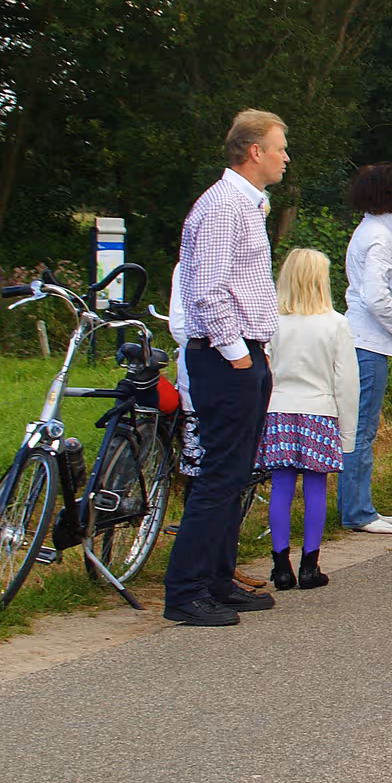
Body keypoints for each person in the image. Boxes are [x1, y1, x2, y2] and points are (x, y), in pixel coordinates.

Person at [162, 109, 290, 627]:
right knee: (218, 475)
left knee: (235, 474)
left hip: (243, 354)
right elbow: (208, 288)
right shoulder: (222, 207)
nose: (286, 156)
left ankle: (217, 579)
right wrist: (236, 351)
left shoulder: (247, 205)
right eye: (280, 147)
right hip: (223, 356)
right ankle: (185, 591)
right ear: (254, 151)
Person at [257, 248, 360, 591]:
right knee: (316, 487)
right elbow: (346, 383)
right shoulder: (336, 323)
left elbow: (264, 372)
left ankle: (280, 566)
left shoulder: (271, 322)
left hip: (279, 408)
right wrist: (347, 434)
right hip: (319, 410)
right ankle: (309, 565)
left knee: (281, 486)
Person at [339, 163, 392, 535]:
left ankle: (359, 505)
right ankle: (357, 511)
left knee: (360, 427)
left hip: (366, 341)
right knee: (360, 429)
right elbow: (375, 295)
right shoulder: (378, 237)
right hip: (366, 342)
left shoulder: (379, 232)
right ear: (385, 194)